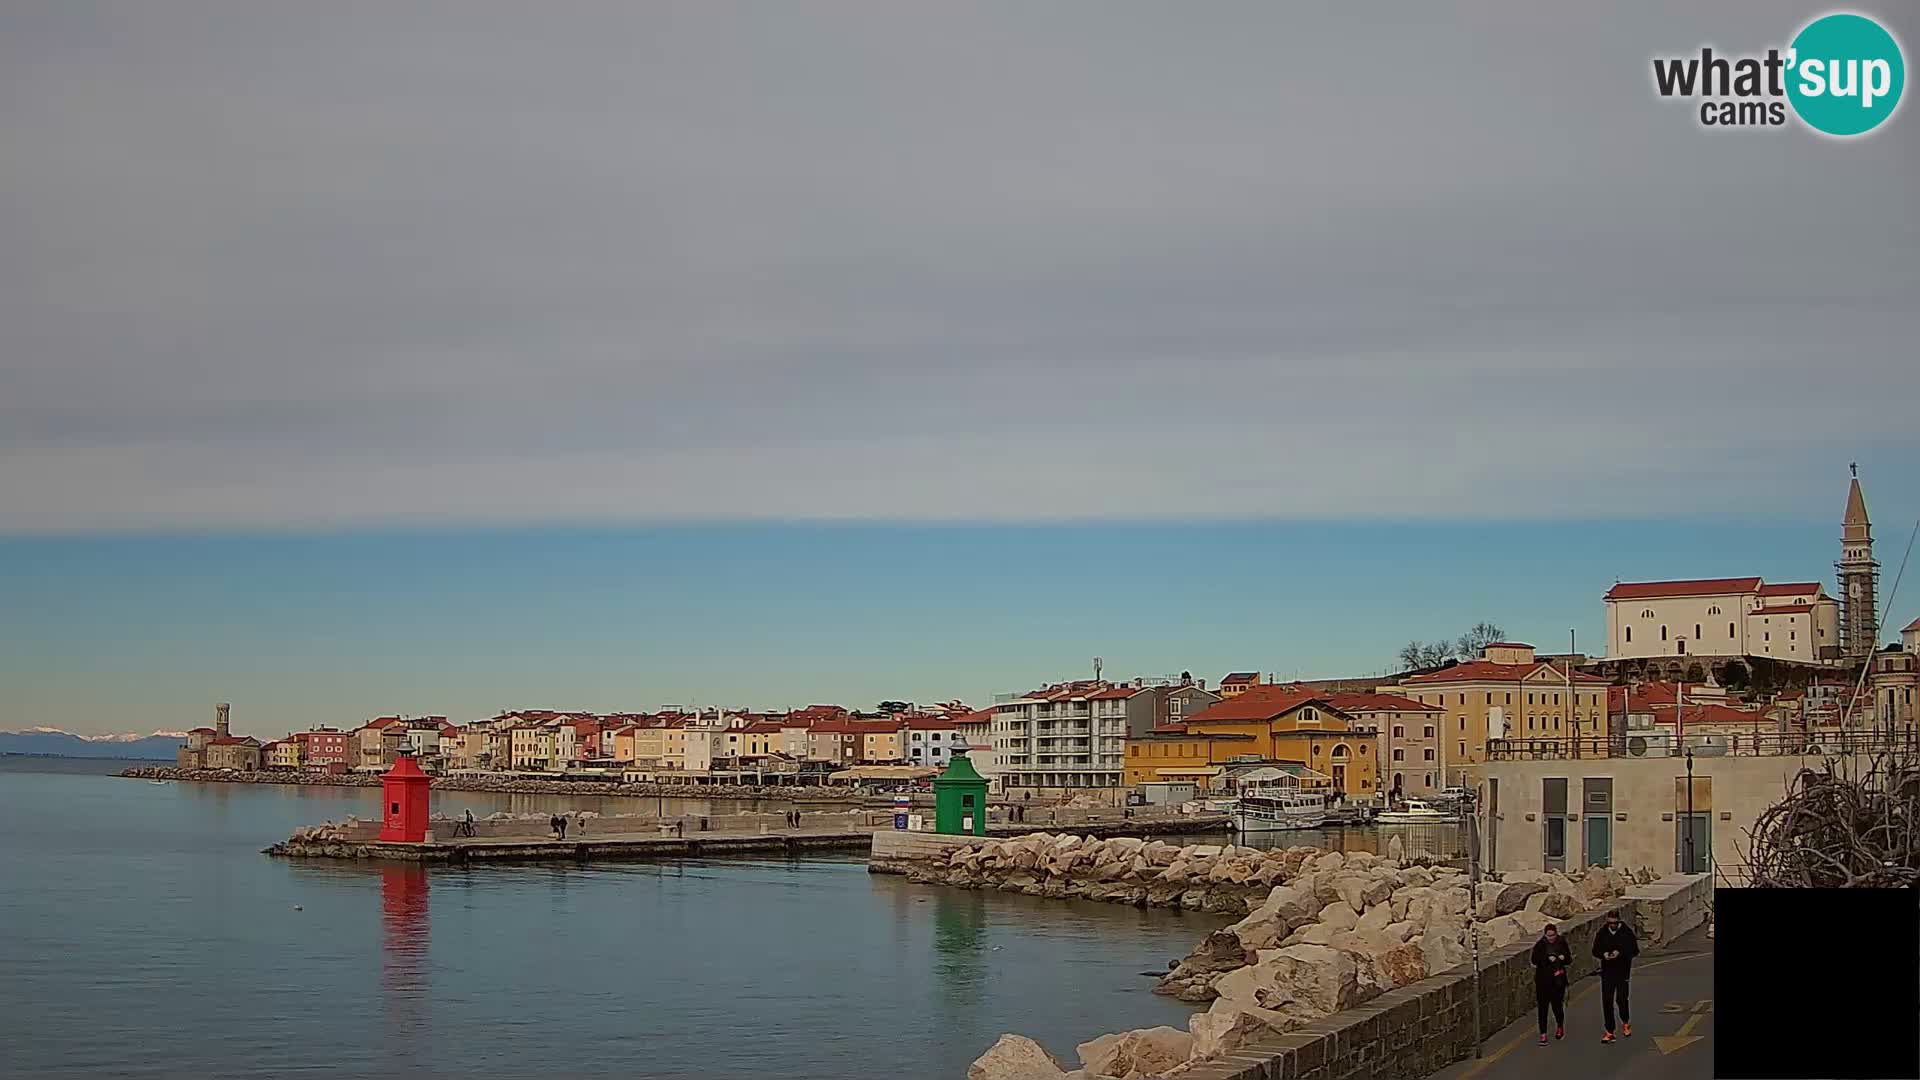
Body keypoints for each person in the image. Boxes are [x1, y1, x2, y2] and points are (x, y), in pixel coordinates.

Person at [1593, 909, 1640, 1042]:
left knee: (1621, 999)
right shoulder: (1602, 933)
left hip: (1622, 971)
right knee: (1607, 1001)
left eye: (1614, 923)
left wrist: (1620, 953)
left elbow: (1634, 950)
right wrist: (1604, 954)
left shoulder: (1627, 933)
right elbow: (1595, 950)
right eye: (1610, 923)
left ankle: (1625, 1022)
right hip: (1607, 972)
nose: (1612, 925)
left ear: (1618, 921)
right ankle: (1609, 1031)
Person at [1531, 923, 1572, 1044]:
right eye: (1549, 936)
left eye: (1553, 935)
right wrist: (1547, 959)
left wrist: (1563, 957)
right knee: (1542, 1009)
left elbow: (1569, 959)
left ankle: (1560, 1026)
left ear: (1556, 933)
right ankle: (1543, 1034)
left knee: (1557, 1006)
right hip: (1543, 982)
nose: (1551, 938)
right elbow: (1534, 960)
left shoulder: (1561, 943)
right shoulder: (1540, 945)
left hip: (1557, 981)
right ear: (1545, 935)